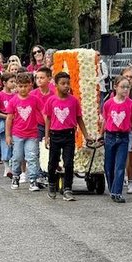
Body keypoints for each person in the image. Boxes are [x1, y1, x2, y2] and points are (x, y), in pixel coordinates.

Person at [44, 72, 91, 201]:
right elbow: (48, 118)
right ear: (56, 85)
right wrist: (47, 136)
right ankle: (52, 183)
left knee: (69, 162)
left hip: (69, 134)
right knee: (53, 162)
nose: (66, 86)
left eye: (67, 83)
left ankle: (67, 188)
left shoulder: (74, 100)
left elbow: (79, 118)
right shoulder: (51, 100)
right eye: (62, 83)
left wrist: (86, 135)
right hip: (55, 134)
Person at [101, 75, 132, 203]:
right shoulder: (108, 104)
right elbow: (105, 120)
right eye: (122, 87)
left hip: (123, 137)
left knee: (120, 165)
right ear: (115, 87)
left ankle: (117, 192)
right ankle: (112, 188)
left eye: (127, 87)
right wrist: (101, 135)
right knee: (108, 165)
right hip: (110, 136)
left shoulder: (131, 104)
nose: (125, 90)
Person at [6, 73, 43, 190]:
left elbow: (44, 113)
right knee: (17, 156)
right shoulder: (13, 101)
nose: (23, 89)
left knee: (32, 156)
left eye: (25, 86)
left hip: (32, 134)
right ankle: (16, 176)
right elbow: (9, 118)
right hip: (17, 134)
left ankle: (33, 179)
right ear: (16, 87)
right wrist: (8, 135)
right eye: (20, 86)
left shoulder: (35, 99)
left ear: (30, 86)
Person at [0, 73, 16, 178]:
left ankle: (14, 166)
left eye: (15, 81)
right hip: (3, 122)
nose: (14, 83)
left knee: (15, 144)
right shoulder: (0, 95)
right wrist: (6, 117)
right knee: (5, 144)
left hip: (15, 122)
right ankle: (7, 168)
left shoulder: (16, 95)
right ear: (5, 83)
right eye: (11, 81)